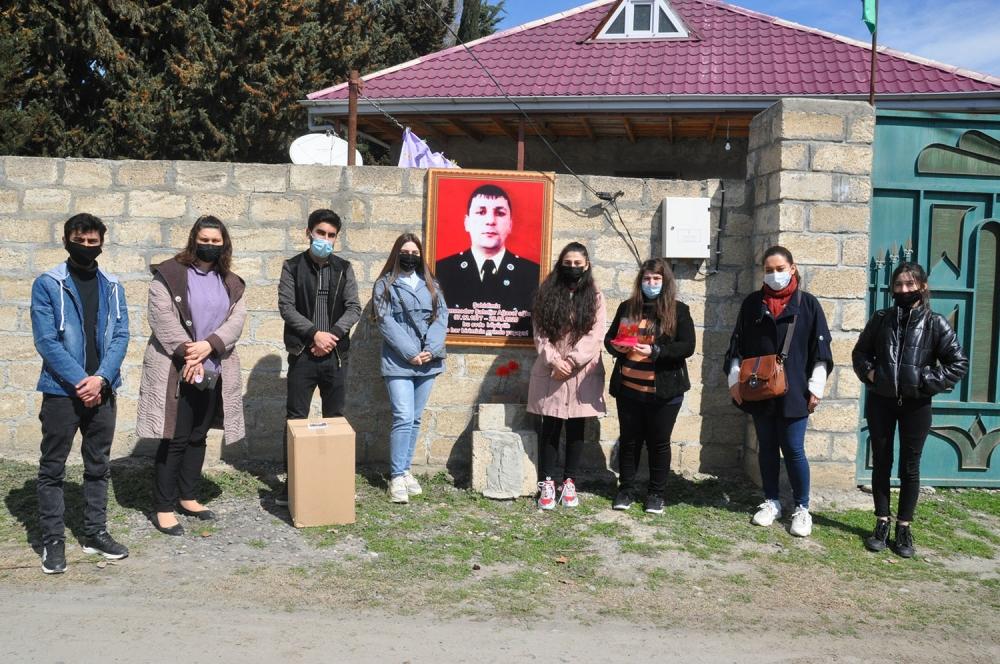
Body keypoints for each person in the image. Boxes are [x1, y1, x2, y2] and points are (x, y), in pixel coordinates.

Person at [30, 213, 130, 573]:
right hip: (61, 392)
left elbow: (121, 336)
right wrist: (81, 381)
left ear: (101, 243)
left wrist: (100, 379)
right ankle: (53, 541)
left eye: (92, 242)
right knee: (52, 468)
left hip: (103, 390)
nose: (86, 247)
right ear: (65, 241)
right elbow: (46, 341)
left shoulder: (112, 286)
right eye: (80, 241)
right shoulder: (48, 284)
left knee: (98, 466)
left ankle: (94, 533)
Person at [137, 216, 247, 536]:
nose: (210, 245)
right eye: (204, 239)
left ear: (224, 244)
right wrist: (190, 353)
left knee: (198, 434)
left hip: (212, 367)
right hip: (178, 367)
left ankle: (188, 496)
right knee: (175, 436)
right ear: (193, 240)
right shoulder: (169, 275)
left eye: (216, 241)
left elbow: (236, 321)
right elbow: (161, 317)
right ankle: (163, 507)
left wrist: (208, 347)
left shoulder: (231, 282)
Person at [852, 262, 967, 558]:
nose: (904, 290)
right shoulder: (881, 319)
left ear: (922, 287)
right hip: (881, 402)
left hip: (916, 405)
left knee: (910, 467)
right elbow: (860, 352)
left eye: (910, 284)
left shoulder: (935, 323)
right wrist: (871, 373)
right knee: (881, 462)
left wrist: (924, 380)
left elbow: (958, 363)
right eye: (899, 284)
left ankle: (904, 527)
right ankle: (881, 522)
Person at [724, 246, 833, 537]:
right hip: (759, 388)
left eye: (780, 269)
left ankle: (802, 507)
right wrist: (734, 380)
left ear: (792, 269)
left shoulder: (808, 304)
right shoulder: (753, 303)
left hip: (795, 388)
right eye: (769, 270)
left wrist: (817, 387)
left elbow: (820, 350)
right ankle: (771, 501)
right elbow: (737, 345)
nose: (774, 275)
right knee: (767, 447)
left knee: (794, 448)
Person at [276, 209, 362, 504]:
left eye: (331, 235)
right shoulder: (292, 267)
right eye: (320, 233)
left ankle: (333, 481)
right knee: (296, 419)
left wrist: (331, 336)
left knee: (335, 419)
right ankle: (293, 484)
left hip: (335, 355)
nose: (325, 239)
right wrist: (315, 334)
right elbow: (287, 307)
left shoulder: (344, 268)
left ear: (337, 238)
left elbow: (354, 307)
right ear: (308, 233)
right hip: (302, 353)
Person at [605, 259, 695, 514]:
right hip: (628, 389)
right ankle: (626, 489)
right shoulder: (628, 307)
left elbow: (687, 346)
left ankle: (656, 494)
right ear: (640, 281)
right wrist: (616, 346)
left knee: (659, 443)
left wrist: (656, 351)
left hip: (664, 392)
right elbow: (610, 338)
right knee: (629, 441)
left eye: (656, 279)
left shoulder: (678, 310)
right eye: (647, 278)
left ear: (665, 282)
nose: (651, 283)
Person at [527, 242, 606, 510]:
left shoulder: (595, 297)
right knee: (550, 426)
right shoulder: (546, 294)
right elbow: (540, 334)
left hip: (581, 372)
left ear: (587, 266)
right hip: (552, 371)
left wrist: (571, 362)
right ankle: (547, 482)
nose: (572, 268)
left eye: (577, 264)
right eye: (568, 263)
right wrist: (555, 361)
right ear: (560, 264)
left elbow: (595, 334)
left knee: (576, 428)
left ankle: (569, 481)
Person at [371, 233, 448, 503]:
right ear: (397, 253)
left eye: (415, 253)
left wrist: (431, 350)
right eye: (406, 252)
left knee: (415, 418)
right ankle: (396, 476)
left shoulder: (431, 284)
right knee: (403, 416)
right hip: (398, 361)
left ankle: (405, 471)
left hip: (428, 361)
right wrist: (410, 353)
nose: (410, 257)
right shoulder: (384, 285)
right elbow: (385, 321)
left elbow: (441, 317)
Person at [434, 184, 540, 337]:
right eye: (481, 212)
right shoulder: (442, 270)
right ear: (467, 222)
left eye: (500, 213)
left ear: (510, 224)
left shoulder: (532, 274)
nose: (490, 221)